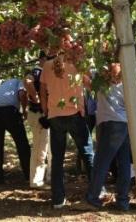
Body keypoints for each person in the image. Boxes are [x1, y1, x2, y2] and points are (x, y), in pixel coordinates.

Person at [40, 53, 94, 209]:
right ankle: (97, 192)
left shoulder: (46, 65)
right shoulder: (77, 62)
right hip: (75, 114)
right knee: (87, 152)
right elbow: (90, 84)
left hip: (55, 115)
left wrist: (46, 110)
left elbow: (42, 90)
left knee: (57, 158)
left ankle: (58, 199)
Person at [85, 63, 133, 211]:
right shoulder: (127, 83)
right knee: (124, 163)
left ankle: (92, 197)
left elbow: (84, 78)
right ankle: (123, 201)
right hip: (124, 124)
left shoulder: (100, 81)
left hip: (110, 124)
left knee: (101, 162)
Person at [0, 77, 31, 184]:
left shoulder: (3, 84)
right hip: (9, 112)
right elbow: (22, 94)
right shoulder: (20, 81)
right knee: (22, 143)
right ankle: (29, 174)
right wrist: (25, 111)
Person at [24, 51, 51, 189]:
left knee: (47, 146)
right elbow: (27, 81)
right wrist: (37, 99)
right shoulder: (37, 71)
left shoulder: (46, 72)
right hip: (39, 114)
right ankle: (36, 181)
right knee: (40, 148)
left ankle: (48, 177)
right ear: (42, 59)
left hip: (44, 115)